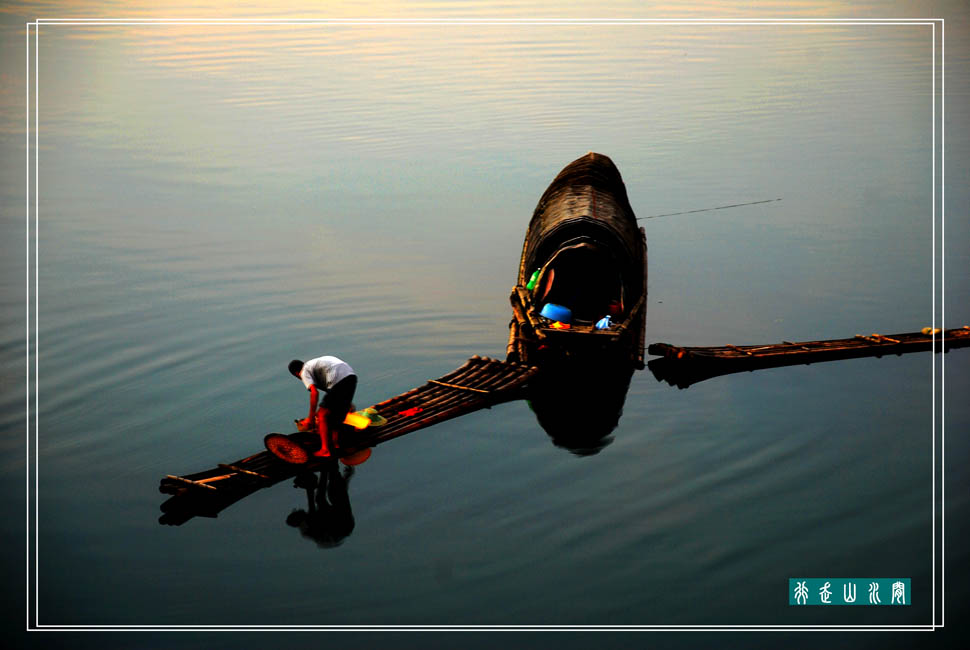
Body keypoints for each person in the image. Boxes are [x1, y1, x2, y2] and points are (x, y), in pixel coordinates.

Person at [288, 356, 357, 457]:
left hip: (338, 378)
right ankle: (335, 443)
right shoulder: (316, 369)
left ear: (296, 374)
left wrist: (311, 419)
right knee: (334, 413)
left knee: (322, 415)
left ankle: (325, 450)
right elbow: (332, 399)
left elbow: (314, 394)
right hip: (351, 376)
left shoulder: (304, 371)